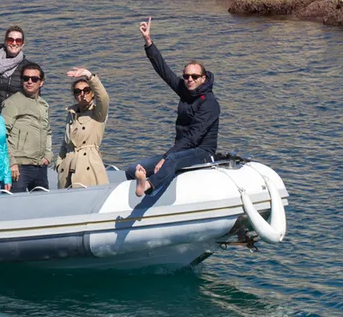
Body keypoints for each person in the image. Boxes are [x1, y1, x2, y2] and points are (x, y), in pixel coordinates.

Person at [125, 17, 220, 197]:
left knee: (172, 159)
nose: (189, 79)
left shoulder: (210, 103)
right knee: (131, 170)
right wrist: (148, 41)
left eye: (194, 76)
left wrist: (167, 156)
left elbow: (193, 137)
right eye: (186, 76)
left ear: (203, 78)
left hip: (202, 152)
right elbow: (164, 71)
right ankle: (139, 190)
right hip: (181, 149)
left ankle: (147, 186)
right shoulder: (185, 91)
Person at [1, 62, 52, 192]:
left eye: (34, 79)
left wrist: (48, 154)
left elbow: (48, 132)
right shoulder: (12, 103)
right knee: (16, 203)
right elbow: (1, 135)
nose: (29, 81)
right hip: (19, 166)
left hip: (40, 166)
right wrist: (11, 162)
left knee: (42, 202)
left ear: (41, 82)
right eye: (26, 78)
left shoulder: (43, 104)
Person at [57, 68, 110, 188]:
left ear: (92, 94)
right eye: (78, 91)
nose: (82, 94)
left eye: (87, 90)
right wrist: (60, 163)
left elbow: (104, 98)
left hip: (89, 167)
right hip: (68, 168)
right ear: (75, 95)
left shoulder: (98, 113)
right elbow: (65, 143)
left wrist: (89, 76)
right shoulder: (71, 114)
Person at [0, 25, 33, 108]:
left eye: (18, 40)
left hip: (17, 112)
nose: (14, 43)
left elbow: (33, 94)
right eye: (10, 40)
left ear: (22, 44)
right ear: (5, 42)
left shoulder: (27, 67)